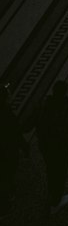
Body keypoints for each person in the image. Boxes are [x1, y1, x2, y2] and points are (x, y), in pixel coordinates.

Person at [34, 80, 68, 214]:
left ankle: (52, 189)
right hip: (61, 146)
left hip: (45, 145)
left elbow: (30, 123)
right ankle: (56, 200)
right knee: (61, 170)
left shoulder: (42, 105)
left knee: (50, 167)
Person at [0, 79, 26, 216]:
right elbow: (15, 133)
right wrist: (24, 147)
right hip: (7, 151)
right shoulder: (7, 115)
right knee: (7, 173)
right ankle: (6, 200)